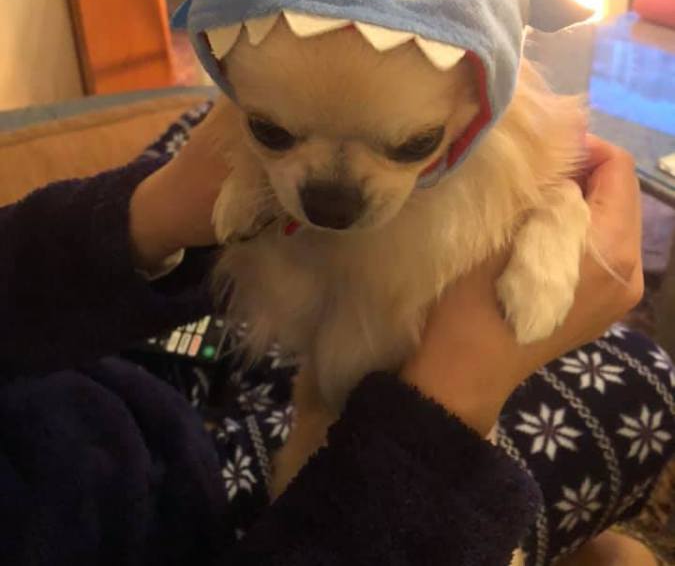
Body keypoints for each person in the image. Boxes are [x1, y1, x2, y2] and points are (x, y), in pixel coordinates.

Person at [0, 103, 671, 565]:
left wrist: (146, 216)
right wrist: (452, 400)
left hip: (91, 376)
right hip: (176, 506)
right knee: (638, 377)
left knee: (235, 124)